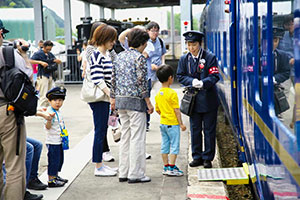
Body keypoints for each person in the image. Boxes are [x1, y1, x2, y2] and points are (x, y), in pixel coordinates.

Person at [0, 19, 49, 200]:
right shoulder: (7, 53)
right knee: (14, 165)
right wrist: (22, 54)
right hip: (6, 111)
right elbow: (29, 77)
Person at [111, 28, 154, 183]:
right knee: (137, 138)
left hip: (121, 102)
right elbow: (142, 82)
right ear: (142, 43)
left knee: (126, 137)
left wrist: (112, 98)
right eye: (146, 43)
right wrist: (148, 102)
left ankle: (123, 172)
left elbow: (113, 79)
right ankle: (136, 174)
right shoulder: (139, 58)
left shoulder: (119, 57)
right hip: (136, 103)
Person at [177, 31, 220, 168]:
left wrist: (204, 83)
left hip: (208, 99)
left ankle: (208, 157)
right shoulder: (184, 59)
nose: (191, 48)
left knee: (209, 130)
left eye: (194, 44)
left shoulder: (210, 57)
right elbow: (180, 76)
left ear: (199, 44)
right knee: (195, 129)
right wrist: (192, 81)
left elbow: (214, 76)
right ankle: (196, 156)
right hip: (193, 101)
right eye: (189, 45)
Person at [88, 24, 118, 176]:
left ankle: (100, 164)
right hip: (100, 99)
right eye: (111, 39)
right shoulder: (97, 55)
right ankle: (98, 166)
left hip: (105, 98)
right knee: (99, 131)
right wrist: (110, 95)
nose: (113, 42)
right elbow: (97, 79)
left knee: (102, 130)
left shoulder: (106, 54)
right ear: (103, 38)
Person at [155, 65, 186, 176]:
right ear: (170, 78)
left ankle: (166, 166)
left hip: (163, 123)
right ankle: (172, 168)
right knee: (174, 145)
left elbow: (157, 110)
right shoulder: (172, 93)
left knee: (165, 144)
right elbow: (176, 110)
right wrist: (181, 124)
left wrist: (164, 115)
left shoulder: (159, 94)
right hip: (172, 124)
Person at [144, 21, 167, 131]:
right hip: (147, 75)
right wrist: (150, 65)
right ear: (147, 31)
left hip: (159, 75)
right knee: (146, 98)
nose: (155, 33)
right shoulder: (144, 42)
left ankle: (165, 119)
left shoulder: (160, 41)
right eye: (152, 31)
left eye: (157, 30)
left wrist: (162, 64)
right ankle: (146, 123)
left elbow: (163, 54)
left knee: (162, 96)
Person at [44, 87, 69, 187]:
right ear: (49, 101)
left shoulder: (58, 111)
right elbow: (47, 126)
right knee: (53, 160)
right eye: (55, 100)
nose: (58, 102)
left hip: (59, 140)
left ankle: (55, 176)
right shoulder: (49, 112)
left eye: (60, 100)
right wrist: (49, 119)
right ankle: (51, 180)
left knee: (59, 160)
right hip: (52, 141)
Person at [31, 40, 62, 108]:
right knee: (43, 94)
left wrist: (56, 61)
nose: (48, 50)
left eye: (50, 49)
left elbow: (54, 59)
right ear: (44, 47)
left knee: (49, 94)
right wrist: (40, 62)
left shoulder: (50, 54)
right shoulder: (38, 53)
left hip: (50, 75)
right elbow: (31, 60)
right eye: (47, 49)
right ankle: (42, 110)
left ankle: (48, 109)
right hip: (43, 75)